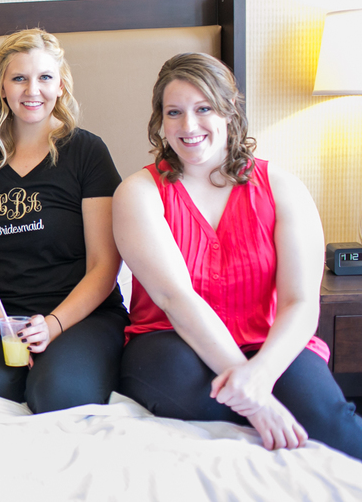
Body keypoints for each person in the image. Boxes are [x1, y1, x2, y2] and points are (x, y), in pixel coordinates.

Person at [114, 52, 362, 459]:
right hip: (171, 339)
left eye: (203, 108)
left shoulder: (283, 189)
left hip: (267, 340)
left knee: (330, 421)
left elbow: (301, 302)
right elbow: (176, 299)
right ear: (160, 120)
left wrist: (260, 376)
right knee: (199, 402)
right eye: (174, 112)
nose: (188, 126)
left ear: (229, 109)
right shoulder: (138, 193)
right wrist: (258, 404)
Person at [0, 28, 127, 413]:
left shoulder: (88, 151)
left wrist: (53, 325)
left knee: (57, 395)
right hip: (1, 314)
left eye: (45, 77)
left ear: (61, 85)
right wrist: (4, 324)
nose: (33, 90)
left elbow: (104, 264)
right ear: (2, 87)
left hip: (81, 314)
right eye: (19, 78)